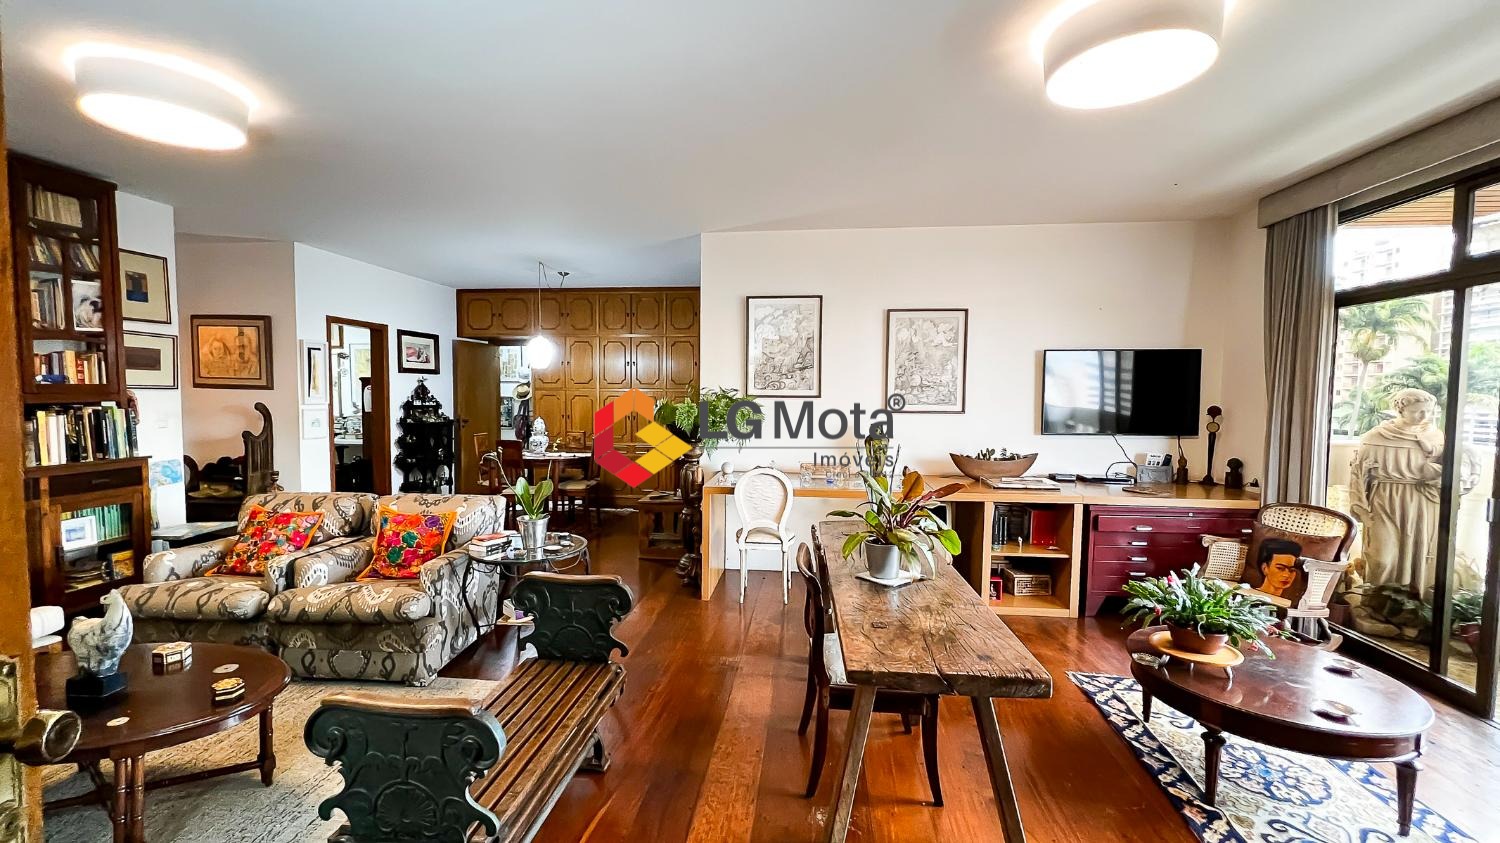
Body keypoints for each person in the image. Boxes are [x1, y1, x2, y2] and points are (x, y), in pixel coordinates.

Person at [1348, 388, 1477, 596]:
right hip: (1385, 501)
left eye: (1428, 411)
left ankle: (1413, 605)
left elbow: (1455, 470)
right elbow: (1357, 475)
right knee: (1382, 558)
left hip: (1424, 502)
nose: (1424, 416)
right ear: (1401, 410)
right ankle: (1376, 603)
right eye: (1418, 411)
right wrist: (1360, 507)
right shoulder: (1376, 437)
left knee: (1421, 556)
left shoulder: (1436, 438)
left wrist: (1437, 475)